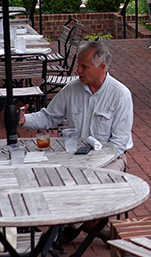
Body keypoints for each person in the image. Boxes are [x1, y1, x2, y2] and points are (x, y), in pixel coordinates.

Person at [21, 41, 133, 171]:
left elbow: (119, 143)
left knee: (95, 180)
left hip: (110, 158)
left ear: (101, 67)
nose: (78, 70)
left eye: (84, 67)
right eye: (78, 65)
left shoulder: (120, 95)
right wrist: (24, 120)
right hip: (75, 155)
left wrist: (93, 162)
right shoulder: (72, 89)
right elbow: (49, 117)